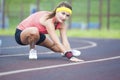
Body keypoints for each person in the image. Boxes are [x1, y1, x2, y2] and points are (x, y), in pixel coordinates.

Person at [15, 1, 83, 62]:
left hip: (38, 35)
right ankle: (32, 50)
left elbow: (65, 41)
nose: (64, 17)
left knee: (55, 48)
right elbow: (57, 42)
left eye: (67, 15)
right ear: (57, 11)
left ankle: (68, 51)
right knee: (34, 30)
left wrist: (68, 51)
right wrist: (70, 57)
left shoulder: (63, 24)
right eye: (63, 13)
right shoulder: (49, 21)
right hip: (22, 33)